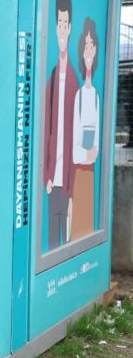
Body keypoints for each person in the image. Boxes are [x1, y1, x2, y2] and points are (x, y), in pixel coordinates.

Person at [44, 0, 78, 248]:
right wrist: (46, 172)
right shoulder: (52, 75)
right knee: (52, 236)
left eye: (66, 23)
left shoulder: (74, 79)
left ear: (71, 27)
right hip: (52, 176)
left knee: (65, 236)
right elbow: (46, 127)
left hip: (68, 174)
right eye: (59, 23)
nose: (62, 29)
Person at [71, 17, 100, 240]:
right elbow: (74, 144)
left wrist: (95, 151)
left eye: (92, 46)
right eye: (85, 47)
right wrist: (86, 154)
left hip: (89, 171)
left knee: (87, 226)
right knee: (78, 224)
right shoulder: (80, 95)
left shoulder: (96, 95)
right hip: (80, 171)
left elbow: (97, 133)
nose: (88, 52)